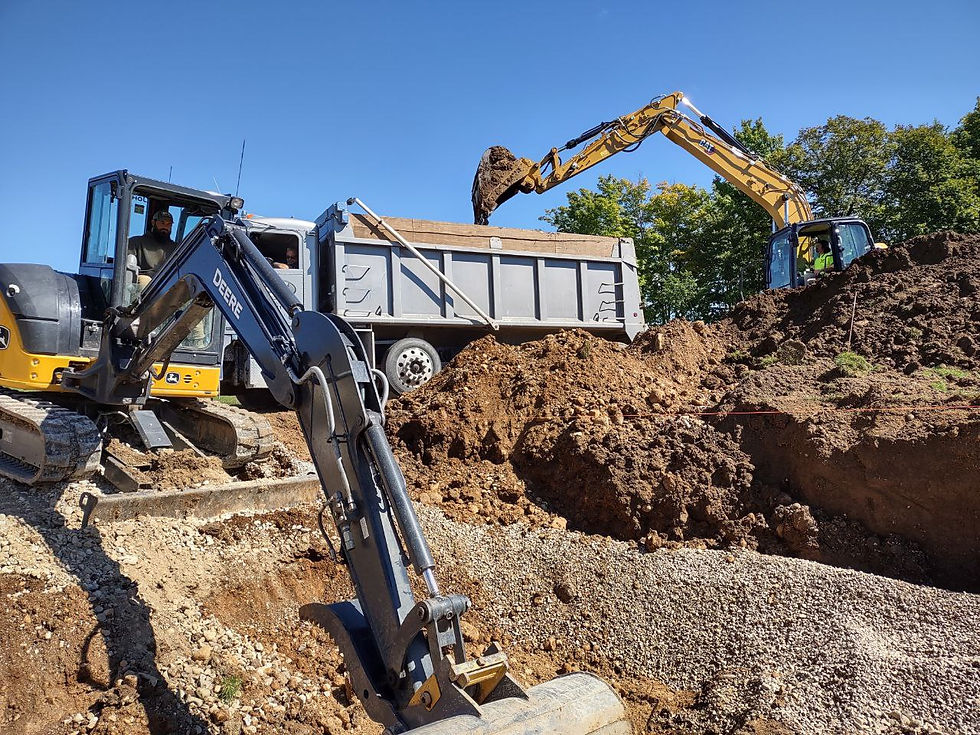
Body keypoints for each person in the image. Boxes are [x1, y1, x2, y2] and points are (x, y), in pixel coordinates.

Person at [129, 210, 176, 274]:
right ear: (153, 223)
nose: (165, 226)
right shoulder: (135, 243)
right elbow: (128, 268)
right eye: (162, 223)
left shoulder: (177, 248)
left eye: (169, 224)